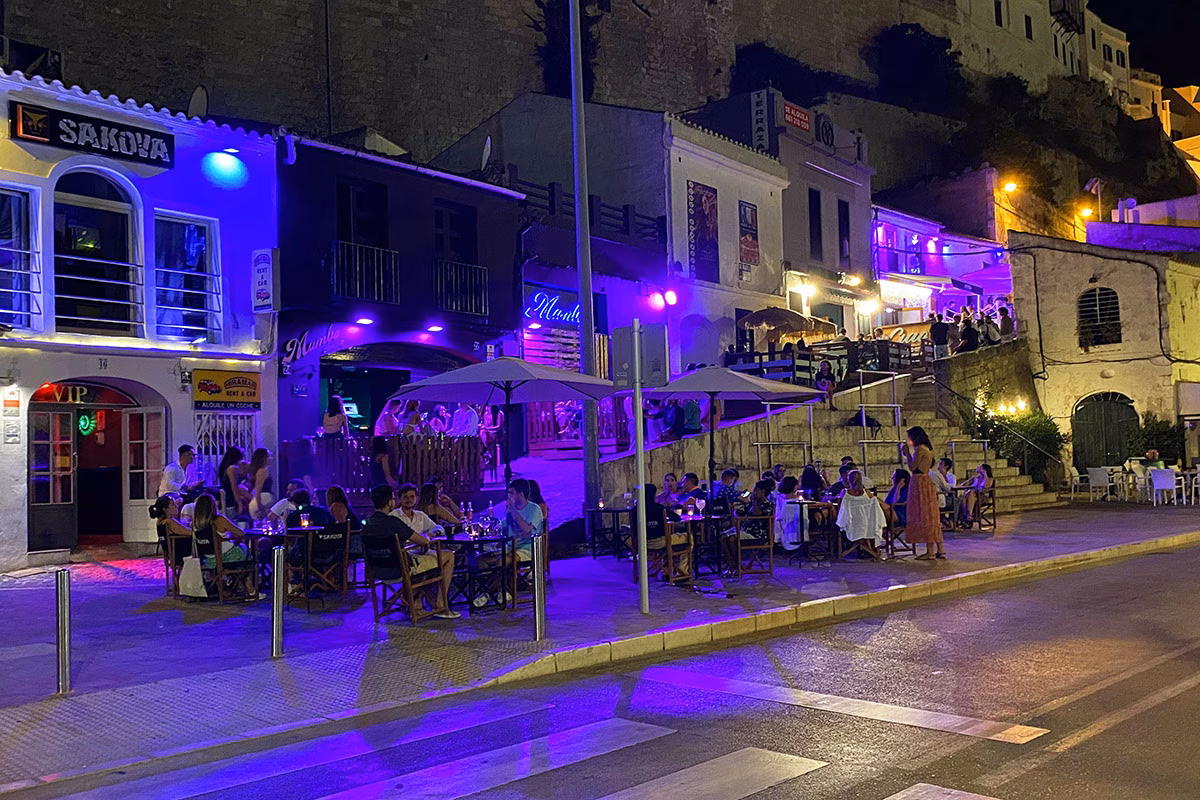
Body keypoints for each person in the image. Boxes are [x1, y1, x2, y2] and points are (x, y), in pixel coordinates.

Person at [361, 485, 459, 619]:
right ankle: (439, 603)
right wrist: (427, 538)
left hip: (378, 570)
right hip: (402, 568)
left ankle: (414, 602)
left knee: (426, 563)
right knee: (448, 555)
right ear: (391, 501)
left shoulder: (367, 524)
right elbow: (423, 541)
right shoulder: (393, 521)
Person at [190, 493, 257, 596]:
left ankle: (230, 586)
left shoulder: (195, 523)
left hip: (209, 560)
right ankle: (249, 587)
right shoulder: (219, 520)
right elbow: (241, 533)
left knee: (244, 553)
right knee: (251, 556)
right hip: (228, 556)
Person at [902, 426, 945, 560]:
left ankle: (930, 551)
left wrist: (907, 454)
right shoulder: (927, 449)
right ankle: (938, 549)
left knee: (924, 515)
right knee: (930, 515)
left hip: (919, 482)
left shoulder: (919, 449)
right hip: (925, 481)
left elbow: (912, 467)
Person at [723, 479, 774, 570]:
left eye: (756, 490)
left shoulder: (768, 505)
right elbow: (738, 511)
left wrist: (754, 501)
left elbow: (756, 514)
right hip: (745, 530)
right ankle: (732, 564)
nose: (753, 493)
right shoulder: (750, 504)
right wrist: (737, 517)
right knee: (722, 536)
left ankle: (738, 566)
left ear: (763, 492)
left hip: (757, 534)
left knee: (732, 538)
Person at [834, 470, 884, 558]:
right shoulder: (868, 493)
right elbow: (874, 506)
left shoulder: (845, 493)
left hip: (851, 525)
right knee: (862, 524)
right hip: (867, 525)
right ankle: (869, 549)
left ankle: (846, 550)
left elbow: (842, 510)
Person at [502, 478, 544, 564]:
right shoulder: (510, 509)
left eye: (511, 493)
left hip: (528, 548)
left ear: (520, 494)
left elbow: (527, 529)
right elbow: (503, 526)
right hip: (510, 547)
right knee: (481, 560)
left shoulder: (534, 509)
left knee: (503, 561)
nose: (508, 496)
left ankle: (504, 577)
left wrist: (513, 510)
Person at [215, 446, 244, 516]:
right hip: (230, 500)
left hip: (224, 499)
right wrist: (239, 503)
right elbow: (233, 486)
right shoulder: (232, 468)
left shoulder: (224, 467)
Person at [247, 448, 274, 520]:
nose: (270, 458)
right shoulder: (262, 471)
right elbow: (258, 490)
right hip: (261, 502)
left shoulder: (264, 470)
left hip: (263, 501)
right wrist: (260, 506)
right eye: (268, 456)